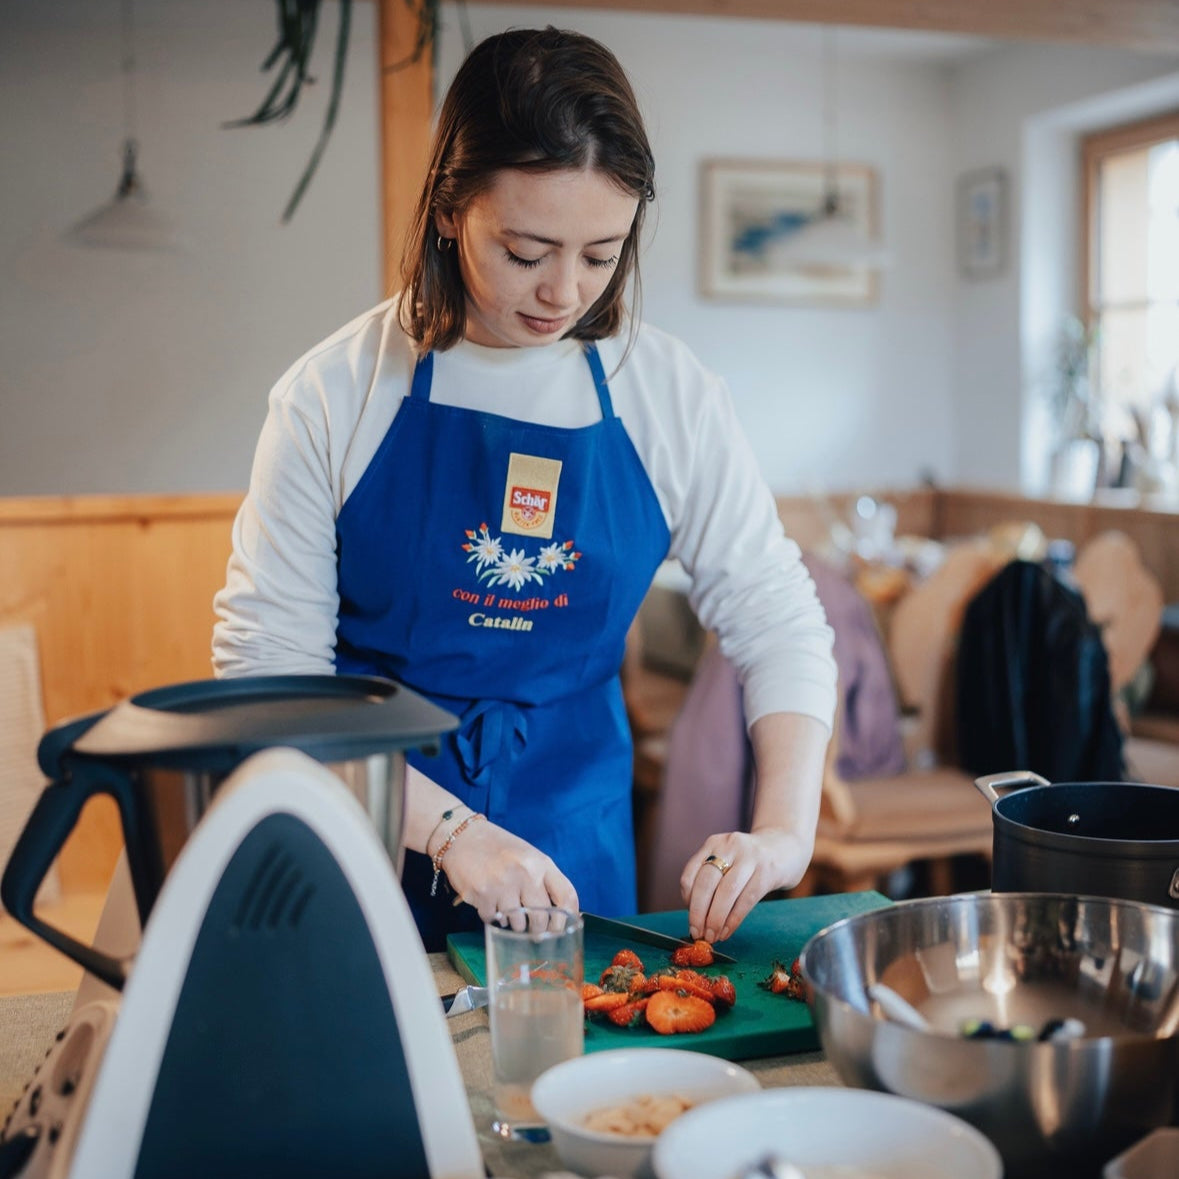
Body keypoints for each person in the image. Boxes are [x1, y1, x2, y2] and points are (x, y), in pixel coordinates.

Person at [212, 26, 837, 953]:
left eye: (600, 253)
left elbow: (775, 615)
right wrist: (452, 831)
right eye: (526, 249)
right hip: (361, 817)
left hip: (572, 833)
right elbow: (272, 682)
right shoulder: (335, 395)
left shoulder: (666, 393)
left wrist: (785, 828)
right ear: (447, 210)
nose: (562, 292)